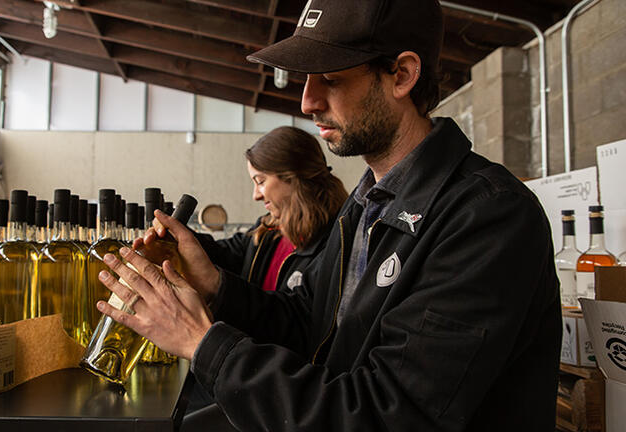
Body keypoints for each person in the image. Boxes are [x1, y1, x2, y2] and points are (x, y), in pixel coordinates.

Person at [95, 0, 562, 430]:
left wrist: (202, 343)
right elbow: (305, 326)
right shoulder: (365, 204)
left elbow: (391, 414)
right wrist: (214, 285)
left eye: (331, 79)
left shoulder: (486, 217)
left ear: (401, 75)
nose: (307, 101)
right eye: (306, 79)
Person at [195, 126, 348, 294]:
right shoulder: (267, 230)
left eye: (260, 182)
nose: (256, 196)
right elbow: (223, 254)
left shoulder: (333, 243)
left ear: (292, 177)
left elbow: (290, 315)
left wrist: (220, 289)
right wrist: (177, 234)